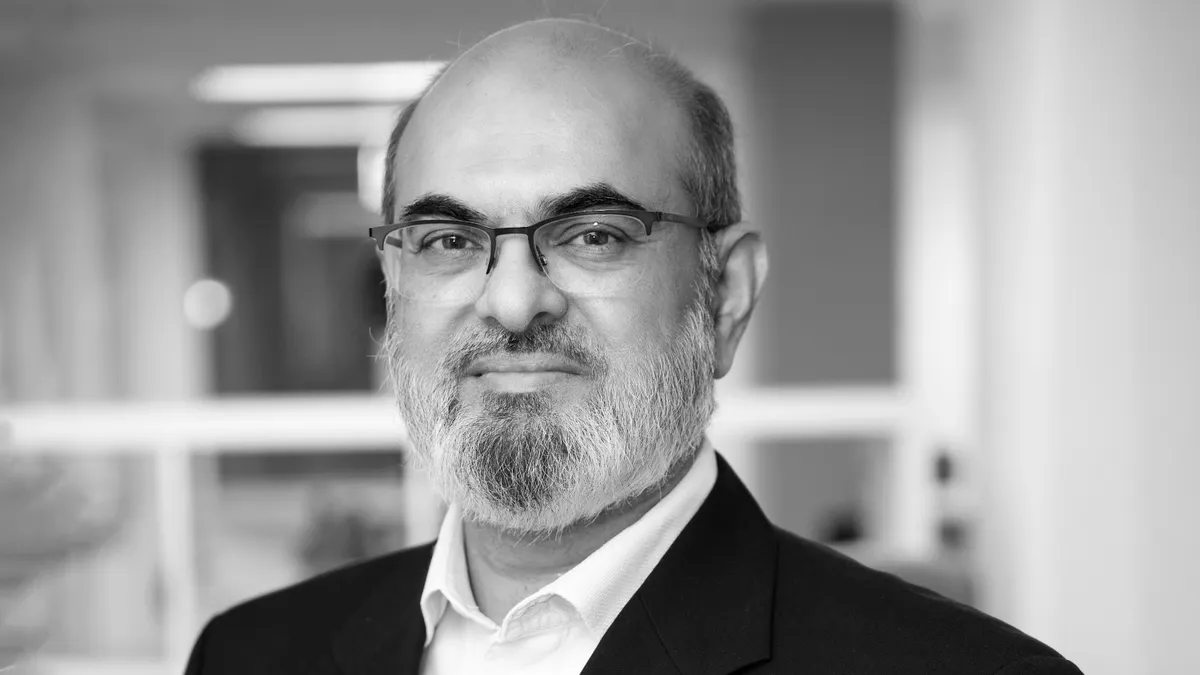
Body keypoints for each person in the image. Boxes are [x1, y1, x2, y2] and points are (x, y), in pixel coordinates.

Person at [185, 18, 1082, 675]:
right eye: (449, 241)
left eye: (593, 234)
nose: (511, 301)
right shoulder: (250, 655)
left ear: (724, 293)